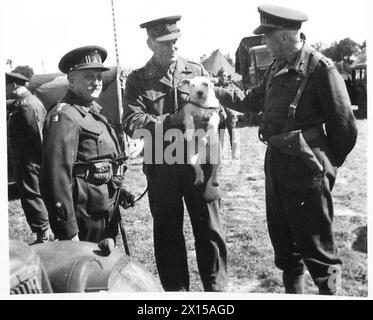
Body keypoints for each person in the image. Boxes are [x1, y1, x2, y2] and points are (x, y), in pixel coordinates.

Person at [216, 5, 357, 295]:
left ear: (282, 36)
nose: (265, 44)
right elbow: (250, 101)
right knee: (286, 248)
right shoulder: (276, 67)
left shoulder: (321, 69)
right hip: (277, 164)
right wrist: (214, 91)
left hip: (307, 169)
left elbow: (345, 128)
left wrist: (324, 166)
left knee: (320, 251)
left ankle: (332, 292)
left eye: (267, 37)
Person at [122, 16, 228, 291]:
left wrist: (215, 115)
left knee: (209, 231)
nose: (172, 47)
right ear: (150, 44)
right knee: (168, 235)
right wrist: (174, 119)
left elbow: (219, 110)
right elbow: (132, 123)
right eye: (165, 42)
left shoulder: (196, 71)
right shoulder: (136, 81)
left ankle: (216, 292)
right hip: (162, 166)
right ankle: (177, 295)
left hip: (200, 165)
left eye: (175, 41)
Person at [41, 46, 133, 243]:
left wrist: (117, 191)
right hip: (84, 218)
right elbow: (55, 176)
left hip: (103, 210)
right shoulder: (65, 116)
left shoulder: (91, 112)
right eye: (89, 76)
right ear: (71, 81)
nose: (97, 82)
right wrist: (68, 229)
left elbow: (96, 161)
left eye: (99, 77)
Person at [6, 71, 53, 244]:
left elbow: (39, 135)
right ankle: (43, 232)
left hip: (30, 162)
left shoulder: (27, 105)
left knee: (32, 196)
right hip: (24, 161)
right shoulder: (21, 103)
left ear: (13, 86)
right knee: (29, 196)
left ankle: (44, 234)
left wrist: (43, 163)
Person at [215, 68, 243, 159]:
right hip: (220, 114)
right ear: (218, 76)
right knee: (220, 134)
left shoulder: (232, 86)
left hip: (231, 113)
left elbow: (239, 95)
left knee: (233, 133)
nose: (223, 78)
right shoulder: (215, 87)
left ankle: (235, 153)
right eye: (221, 76)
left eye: (225, 76)